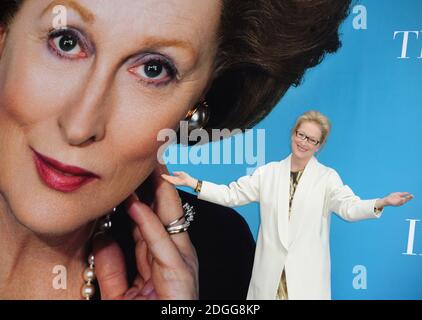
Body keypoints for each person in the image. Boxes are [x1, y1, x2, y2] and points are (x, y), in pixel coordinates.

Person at [0, 0, 352, 299]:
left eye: (154, 70)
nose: (79, 126)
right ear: (4, 35)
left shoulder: (220, 257)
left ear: (196, 107)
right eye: (65, 42)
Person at [162, 110, 414, 300]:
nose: (303, 142)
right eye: (301, 135)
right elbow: (231, 195)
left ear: (319, 145)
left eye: (312, 140)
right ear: (293, 133)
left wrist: (382, 202)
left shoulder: (327, 178)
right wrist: (193, 183)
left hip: (306, 278)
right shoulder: (268, 173)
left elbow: (349, 208)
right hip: (268, 275)